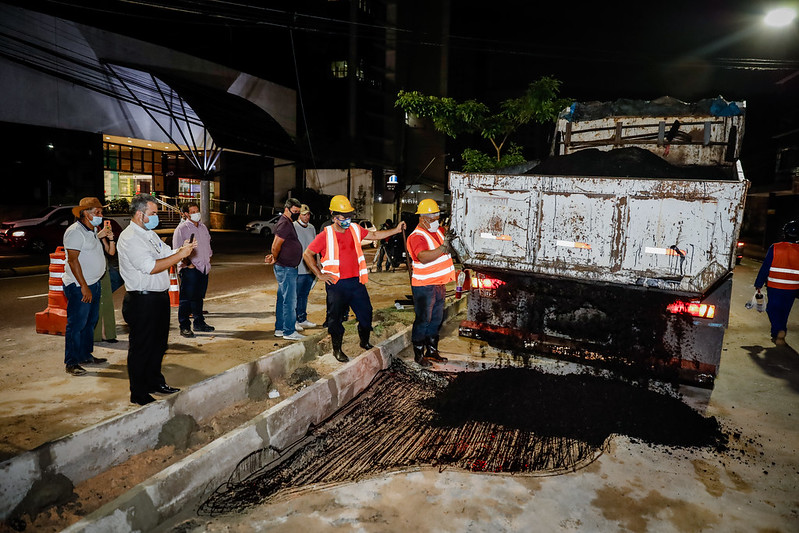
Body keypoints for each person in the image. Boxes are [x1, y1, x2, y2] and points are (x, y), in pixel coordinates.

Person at [302, 195, 406, 362]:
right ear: (333, 215)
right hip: (336, 284)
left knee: (366, 313)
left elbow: (375, 235)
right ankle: (337, 349)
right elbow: (307, 254)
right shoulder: (326, 235)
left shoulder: (356, 229)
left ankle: (364, 341)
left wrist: (396, 230)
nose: (347, 220)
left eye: (349, 216)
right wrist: (319, 274)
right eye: (343, 217)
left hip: (356, 283)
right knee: (335, 319)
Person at [118, 194, 197, 405]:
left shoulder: (149, 234)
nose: (156, 217)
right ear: (139, 213)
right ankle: (139, 392)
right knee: (142, 347)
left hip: (158, 299)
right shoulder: (130, 238)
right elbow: (151, 267)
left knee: (159, 344)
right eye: (152, 213)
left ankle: (155, 382)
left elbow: (167, 253)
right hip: (141, 300)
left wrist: (183, 250)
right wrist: (180, 256)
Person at [62, 197, 112, 375]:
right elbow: (73, 260)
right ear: (85, 213)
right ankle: (72, 362)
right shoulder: (75, 232)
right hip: (79, 286)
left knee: (90, 322)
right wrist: (83, 286)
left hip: (94, 283)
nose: (101, 215)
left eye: (101, 212)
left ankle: (85, 355)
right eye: (97, 212)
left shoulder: (92, 230)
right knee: (77, 324)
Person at [406, 199, 456, 367]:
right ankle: (419, 354)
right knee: (423, 320)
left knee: (436, 319)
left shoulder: (438, 231)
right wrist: (443, 247)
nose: (437, 221)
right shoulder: (417, 236)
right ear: (423, 218)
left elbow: (447, 232)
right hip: (424, 287)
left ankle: (432, 350)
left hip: (438, 285)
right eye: (433, 218)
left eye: (438, 218)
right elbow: (423, 257)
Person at [264, 198, 306, 341]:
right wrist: (275, 257)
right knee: (290, 300)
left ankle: (280, 329)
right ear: (287, 209)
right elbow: (276, 245)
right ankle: (289, 331)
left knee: (283, 298)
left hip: (286, 267)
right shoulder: (284, 223)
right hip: (286, 268)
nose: (297, 215)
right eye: (295, 212)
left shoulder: (287, 222)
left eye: (298, 212)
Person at [173, 201, 214, 338]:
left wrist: (208, 258)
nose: (196, 214)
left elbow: (207, 245)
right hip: (190, 268)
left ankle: (199, 322)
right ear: (185, 214)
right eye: (192, 212)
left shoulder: (203, 227)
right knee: (186, 299)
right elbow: (177, 250)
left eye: (197, 210)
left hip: (204, 268)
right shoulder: (181, 229)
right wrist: (189, 264)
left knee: (198, 297)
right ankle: (184, 326)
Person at [754, 220, 799, 346]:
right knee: (785, 311)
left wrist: (759, 283)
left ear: (785, 233)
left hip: (775, 286)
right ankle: (780, 332)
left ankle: (778, 330)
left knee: (772, 309)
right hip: (792, 288)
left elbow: (765, 267)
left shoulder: (775, 247)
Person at [93, 218, 122, 344]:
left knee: (106, 301)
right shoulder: (80, 231)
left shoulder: (98, 230)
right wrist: (98, 236)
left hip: (103, 269)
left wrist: (110, 238)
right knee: (95, 303)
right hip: (90, 271)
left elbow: (110, 252)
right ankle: (96, 335)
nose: (100, 216)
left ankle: (107, 333)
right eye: (97, 212)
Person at [294, 204, 318, 330]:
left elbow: (315, 247)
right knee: (295, 295)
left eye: (308, 214)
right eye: (304, 214)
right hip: (298, 268)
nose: (306, 217)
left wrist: (317, 265)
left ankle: (302, 318)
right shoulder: (293, 227)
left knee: (304, 295)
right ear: (299, 214)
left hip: (309, 269)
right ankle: (294, 320)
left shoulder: (312, 228)